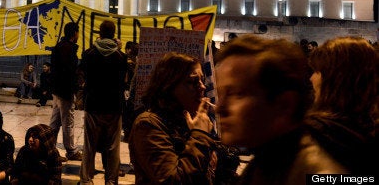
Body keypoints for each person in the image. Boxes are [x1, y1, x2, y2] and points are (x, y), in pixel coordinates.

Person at [215, 35, 345, 185]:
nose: (220, 108)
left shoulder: (316, 174)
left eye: (236, 94)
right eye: (221, 93)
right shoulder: (264, 165)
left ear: (285, 105)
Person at [128, 52, 237, 184]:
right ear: (169, 86)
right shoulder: (148, 124)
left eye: (202, 80)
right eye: (192, 82)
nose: (202, 86)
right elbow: (173, 180)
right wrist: (200, 135)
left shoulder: (188, 118)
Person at [306, 37, 378, 174]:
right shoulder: (369, 125)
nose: (311, 78)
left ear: (336, 78)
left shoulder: (317, 135)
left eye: (317, 71)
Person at [78, 20, 127, 185]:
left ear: (100, 33)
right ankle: (111, 180)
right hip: (114, 105)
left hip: (93, 104)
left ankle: (86, 179)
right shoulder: (121, 57)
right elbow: (123, 81)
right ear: (114, 34)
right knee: (113, 146)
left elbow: (83, 74)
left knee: (89, 144)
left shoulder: (89, 54)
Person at [49, 22, 82, 161]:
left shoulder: (59, 47)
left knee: (55, 122)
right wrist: (74, 90)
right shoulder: (68, 49)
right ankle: (71, 151)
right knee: (68, 121)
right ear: (74, 33)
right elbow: (69, 72)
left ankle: (49, 148)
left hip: (57, 90)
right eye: (78, 32)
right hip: (65, 90)